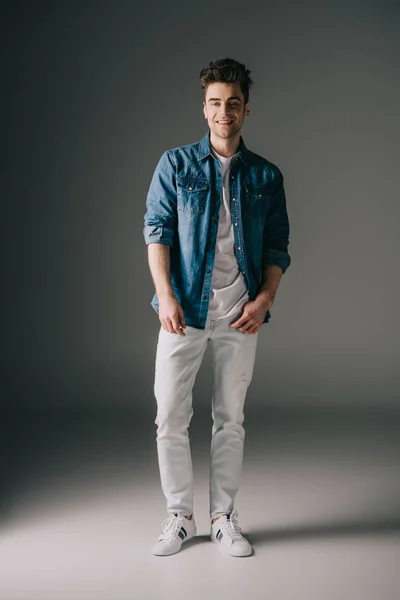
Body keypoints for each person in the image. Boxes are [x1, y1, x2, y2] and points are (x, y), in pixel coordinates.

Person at [143, 57, 291, 557]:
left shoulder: (267, 176)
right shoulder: (175, 165)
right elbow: (157, 232)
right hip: (182, 312)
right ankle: (180, 516)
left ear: (246, 109)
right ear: (203, 108)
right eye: (214, 103)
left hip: (239, 315)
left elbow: (276, 247)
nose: (223, 112)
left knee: (230, 418)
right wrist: (164, 294)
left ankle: (223, 516)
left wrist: (265, 299)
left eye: (232, 103)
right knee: (169, 415)